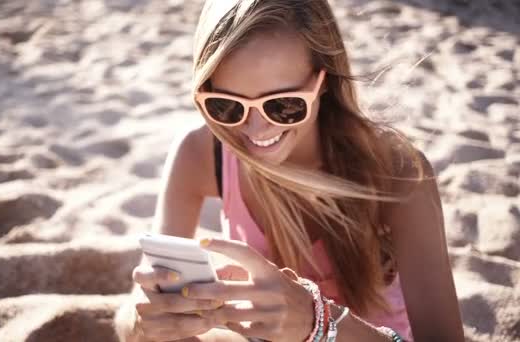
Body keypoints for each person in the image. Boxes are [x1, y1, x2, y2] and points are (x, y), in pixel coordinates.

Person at [114, 0, 465, 341]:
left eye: (282, 106)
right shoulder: (202, 153)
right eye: (226, 106)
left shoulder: (396, 170)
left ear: (323, 81)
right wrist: (143, 323)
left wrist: (319, 325)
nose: (256, 129)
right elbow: (133, 311)